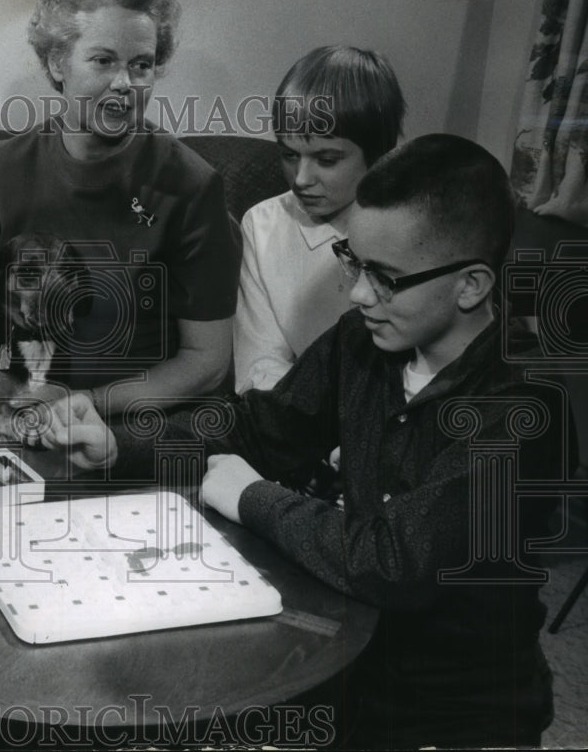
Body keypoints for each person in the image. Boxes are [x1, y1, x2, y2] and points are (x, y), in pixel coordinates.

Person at [202, 135, 566, 748]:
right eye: (355, 262)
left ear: (472, 285)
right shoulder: (360, 343)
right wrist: (114, 441)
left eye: (387, 278)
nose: (360, 293)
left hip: (457, 711)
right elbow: (259, 431)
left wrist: (253, 497)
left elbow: (396, 563)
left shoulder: (522, 410)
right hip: (349, 668)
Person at [0, 0, 240, 447]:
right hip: (7, 415)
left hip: (120, 429)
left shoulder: (191, 184)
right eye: (103, 60)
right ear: (58, 63)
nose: (125, 84)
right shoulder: (6, 165)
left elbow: (207, 363)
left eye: (141, 66)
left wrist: (85, 405)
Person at [233, 46, 405, 393]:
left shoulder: (415, 225)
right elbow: (259, 364)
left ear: (379, 154)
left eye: (326, 159)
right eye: (289, 155)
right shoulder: (263, 226)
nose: (300, 179)